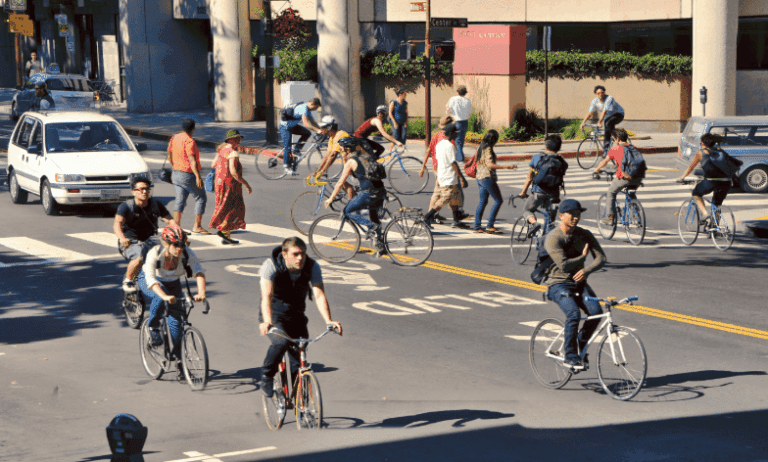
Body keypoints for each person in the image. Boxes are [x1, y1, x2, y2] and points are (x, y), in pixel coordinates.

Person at [258, 237, 342, 397]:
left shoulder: (312, 267)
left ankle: (300, 406)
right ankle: (266, 376)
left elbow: (318, 294)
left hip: (296, 316)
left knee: (299, 358)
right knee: (281, 342)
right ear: (284, 254)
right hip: (274, 315)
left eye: (303, 253)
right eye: (295, 254)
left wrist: (328, 320)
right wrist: (267, 321)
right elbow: (266, 296)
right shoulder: (270, 266)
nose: (300, 258)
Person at [542, 199, 607, 369]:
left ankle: (580, 344)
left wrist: (587, 270)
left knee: (596, 312)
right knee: (573, 314)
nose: (576, 217)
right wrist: (582, 258)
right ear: (562, 216)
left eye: (578, 214)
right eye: (572, 214)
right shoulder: (553, 237)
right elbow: (563, 265)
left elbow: (601, 258)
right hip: (558, 284)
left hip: (579, 282)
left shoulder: (584, 234)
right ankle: (570, 356)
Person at [139, 224, 207, 380]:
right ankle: (153, 326)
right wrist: (164, 296)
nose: (179, 248)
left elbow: (198, 271)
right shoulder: (154, 254)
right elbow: (150, 279)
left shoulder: (186, 253)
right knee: (159, 296)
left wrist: (201, 293)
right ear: (166, 244)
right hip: (151, 281)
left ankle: (180, 363)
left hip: (173, 283)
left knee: (176, 324)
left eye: (182, 244)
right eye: (176, 245)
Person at [114, 176, 176, 293]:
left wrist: (178, 231)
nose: (144, 191)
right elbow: (117, 224)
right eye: (141, 189)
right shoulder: (126, 206)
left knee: (171, 252)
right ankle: (128, 280)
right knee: (139, 258)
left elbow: (170, 220)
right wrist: (122, 238)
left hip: (151, 239)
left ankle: (166, 279)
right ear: (133, 191)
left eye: (147, 189)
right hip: (131, 241)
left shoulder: (155, 205)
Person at [324, 137, 387, 251]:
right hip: (381, 191)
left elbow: (340, 182)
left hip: (368, 193)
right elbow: (354, 174)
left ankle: (371, 227)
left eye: (342, 148)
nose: (340, 149)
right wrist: (344, 159)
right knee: (374, 216)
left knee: (347, 211)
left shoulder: (351, 161)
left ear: (348, 149)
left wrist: (330, 199)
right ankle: (380, 244)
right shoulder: (365, 156)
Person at [422, 124, 470, 229]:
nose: (457, 134)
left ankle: (456, 220)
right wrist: (462, 178)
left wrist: (439, 176)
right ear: (451, 133)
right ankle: (427, 216)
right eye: (455, 133)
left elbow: (438, 161)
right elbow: (453, 163)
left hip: (442, 175)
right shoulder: (449, 146)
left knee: (454, 198)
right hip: (449, 177)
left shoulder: (439, 145)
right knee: (445, 198)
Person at [209, 129, 252, 245]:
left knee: (224, 207)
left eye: (240, 138)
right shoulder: (232, 153)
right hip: (229, 185)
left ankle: (226, 236)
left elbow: (213, 165)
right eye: (237, 138)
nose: (239, 141)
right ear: (231, 140)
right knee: (233, 208)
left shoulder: (222, 151)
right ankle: (224, 233)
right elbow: (233, 172)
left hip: (219, 184)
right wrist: (246, 184)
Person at [519, 135, 568, 236]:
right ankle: (545, 244)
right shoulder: (562, 162)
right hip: (554, 195)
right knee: (550, 221)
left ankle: (535, 223)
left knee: (527, 210)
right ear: (559, 147)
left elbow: (530, 176)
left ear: (546, 147)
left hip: (538, 192)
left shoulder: (537, 158)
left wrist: (523, 192)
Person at [677, 133, 731, 224]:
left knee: (696, 193)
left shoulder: (700, 153)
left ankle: (705, 214)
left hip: (711, 181)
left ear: (702, 143)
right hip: (726, 182)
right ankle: (715, 226)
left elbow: (691, 167)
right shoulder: (722, 152)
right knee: (716, 205)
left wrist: (682, 178)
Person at [593, 128, 643, 223]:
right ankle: (636, 217)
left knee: (611, 192)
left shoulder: (615, 149)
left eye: (614, 139)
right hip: (637, 178)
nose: (614, 141)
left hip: (625, 178)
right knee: (631, 193)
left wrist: (597, 170)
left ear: (618, 139)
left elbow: (605, 161)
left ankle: (610, 217)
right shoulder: (633, 147)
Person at [168, 119, 209, 235]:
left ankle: (177, 227)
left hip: (175, 173)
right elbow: (192, 159)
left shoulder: (174, 138)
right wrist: (197, 176)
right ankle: (197, 226)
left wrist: (173, 165)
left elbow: (169, 153)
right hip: (187, 174)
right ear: (193, 129)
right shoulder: (189, 141)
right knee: (201, 197)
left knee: (179, 200)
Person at [473, 129, 517, 234]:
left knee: (482, 202)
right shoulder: (487, 149)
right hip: (487, 177)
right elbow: (490, 165)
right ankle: (490, 225)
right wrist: (507, 166)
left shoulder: (481, 147)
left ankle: (477, 226)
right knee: (498, 200)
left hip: (479, 177)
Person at [420, 115, 454, 224]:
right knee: (440, 192)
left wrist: (423, 166)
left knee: (439, 191)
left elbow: (428, 151)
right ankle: (430, 214)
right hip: (443, 168)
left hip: (436, 167)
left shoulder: (436, 136)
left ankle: (434, 213)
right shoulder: (447, 138)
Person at [280, 98, 324, 176]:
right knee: (288, 147)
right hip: (285, 128)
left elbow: (313, 122)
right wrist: (317, 130)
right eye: (316, 107)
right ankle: (286, 168)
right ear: (312, 104)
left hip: (292, 126)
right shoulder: (303, 109)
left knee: (307, 133)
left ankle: (296, 150)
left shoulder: (308, 110)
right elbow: (306, 124)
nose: (316, 109)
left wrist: (321, 130)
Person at [580, 85, 624, 152]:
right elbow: (589, 113)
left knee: (608, 124)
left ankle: (612, 143)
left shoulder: (609, 98)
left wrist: (599, 122)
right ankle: (610, 145)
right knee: (607, 128)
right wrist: (583, 122)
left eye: (602, 92)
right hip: (609, 116)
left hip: (619, 114)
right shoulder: (594, 101)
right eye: (598, 93)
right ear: (595, 94)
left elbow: (604, 111)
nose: (601, 94)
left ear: (604, 92)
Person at [446, 84, 473, 162]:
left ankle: (459, 157)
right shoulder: (468, 101)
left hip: (456, 120)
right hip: (465, 122)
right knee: (461, 139)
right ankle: (458, 155)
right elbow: (470, 112)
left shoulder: (453, 99)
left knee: (455, 139)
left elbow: (448, 109)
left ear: (457, 91)